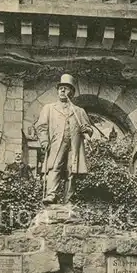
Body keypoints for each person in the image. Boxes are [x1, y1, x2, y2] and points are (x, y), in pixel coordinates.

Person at [35, 74, 93, 205]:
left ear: (71, 93)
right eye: (60, 88)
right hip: (57, 143)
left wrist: (87, 130)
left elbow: (88, 128)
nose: (62, 90)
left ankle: (69, 199)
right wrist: (44, 141)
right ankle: (51, 195)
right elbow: (41, 126)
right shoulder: (49, 108)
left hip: (74, 144)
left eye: (66, 88)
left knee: (71, 170)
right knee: (54, 166)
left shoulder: (79, 111)